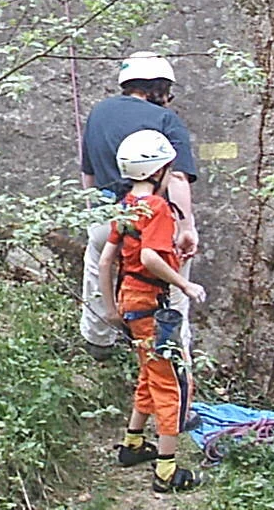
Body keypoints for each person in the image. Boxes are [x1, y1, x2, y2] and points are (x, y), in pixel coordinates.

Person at [97, 129, 207, 494]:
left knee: (149, 371)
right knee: (173, 381)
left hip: (130, 300)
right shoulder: (157, 208)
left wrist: (111, 310)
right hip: (149, 301)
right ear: (159, 171)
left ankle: (132, 445)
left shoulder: (127, 205)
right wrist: (185, 284)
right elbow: (148, 256)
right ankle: (166, 470)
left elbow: (106, 261)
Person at [79, 52, 199, 359]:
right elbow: (178, 179)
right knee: (172, 287)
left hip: (110, 214)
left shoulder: (99, 113)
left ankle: (98, 341)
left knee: (97, 266)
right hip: (153, 221)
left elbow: (88, 174)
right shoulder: (165, 120)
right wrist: (187, 228)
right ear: (157, 88)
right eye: (167, 92)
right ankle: (173, 353)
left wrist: (97, 217)